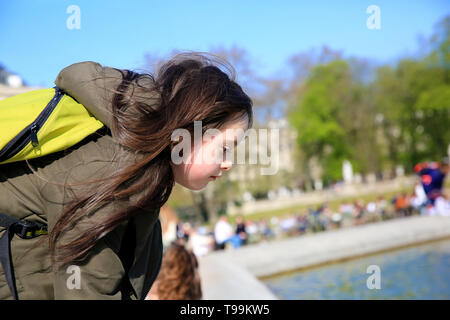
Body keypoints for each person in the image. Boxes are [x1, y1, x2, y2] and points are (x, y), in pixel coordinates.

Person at [0, 52, 253, 299]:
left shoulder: (145, 165)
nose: (228, 163)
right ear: (189, 129)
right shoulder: (115, 169)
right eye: (223, 148)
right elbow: (87, 286)